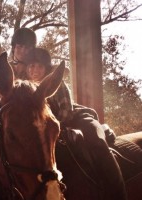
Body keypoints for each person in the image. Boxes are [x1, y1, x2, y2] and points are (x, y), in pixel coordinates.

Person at [26, 47, 127, 200]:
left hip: (72, 119)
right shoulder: (25, 91)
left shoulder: (56, 83)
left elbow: (66, 110)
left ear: (46, 68)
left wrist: (53, 128)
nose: (35, 70)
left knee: (97, 140)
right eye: (31, 66)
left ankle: (117, 191)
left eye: (39, 66)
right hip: (47, 131)